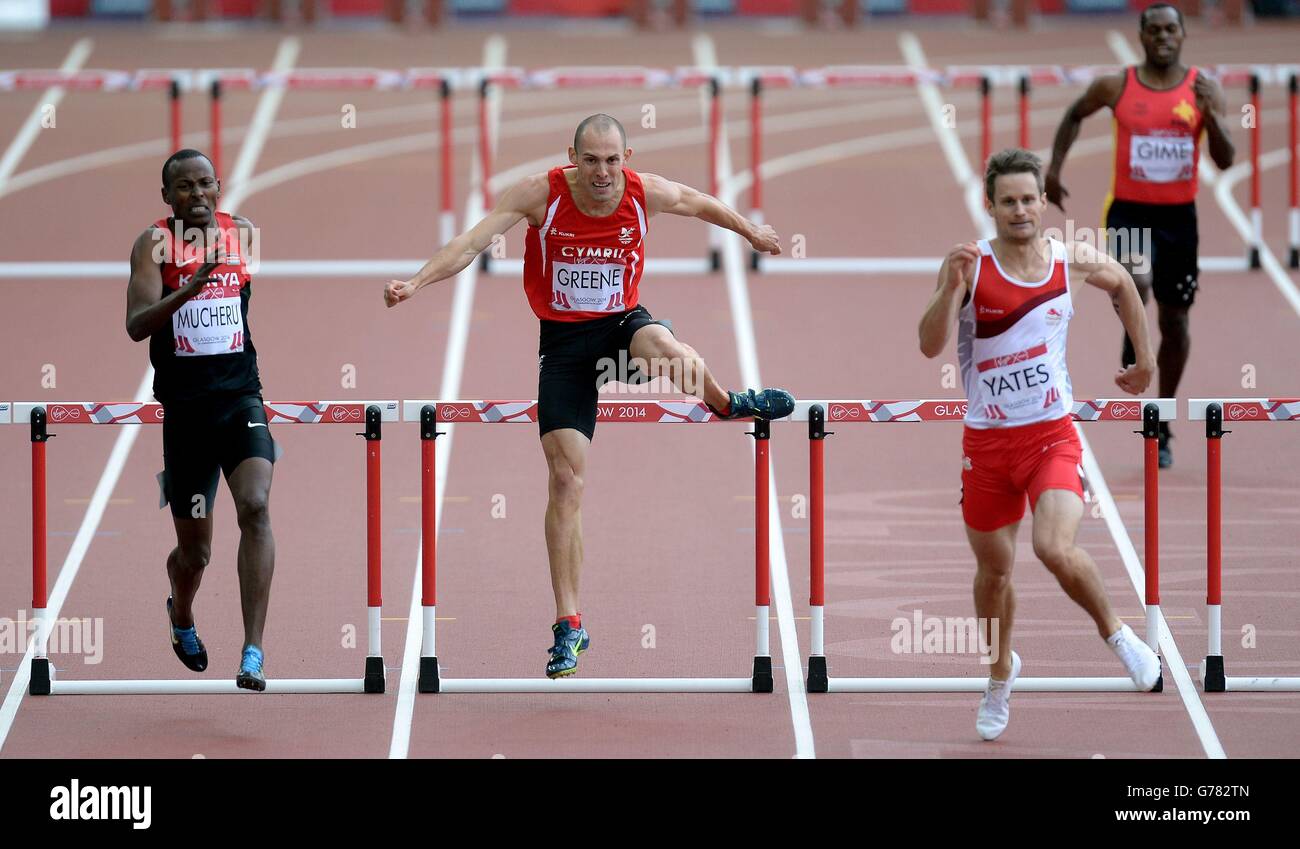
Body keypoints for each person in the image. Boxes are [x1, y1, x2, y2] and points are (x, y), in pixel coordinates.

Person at [386, 114, 793, 679]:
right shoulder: (540, 194)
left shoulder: (643, 192)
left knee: (670, 352)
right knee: (564, 480)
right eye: (591, 160)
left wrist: (751, 232)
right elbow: (472, 242)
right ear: (572, 157)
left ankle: (729, 403)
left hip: (622, 327)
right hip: (565, 347)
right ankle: (569, 626)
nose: (603, 172)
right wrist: (416, 282)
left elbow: (700, 203)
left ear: (627, 157)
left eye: (612, 160)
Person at [919, 148, 1162, 741]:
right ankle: (1000, 672)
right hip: (987, 445)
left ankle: (1117, 633)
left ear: (1043, 202)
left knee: (1054, 547)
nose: (1020, 210)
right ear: (991, 205)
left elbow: (1125, 283)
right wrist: (949, 292)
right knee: (994, 573)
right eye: (1009, 201)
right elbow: (929, 345)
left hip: (1051, 436)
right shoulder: (969, 266)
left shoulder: (1068, 261)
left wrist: (1143, 358)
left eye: (1029, 199)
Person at [1045, 2, 1234, 468]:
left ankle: (1162, 421)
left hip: (1179, 221)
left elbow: (1226, 159)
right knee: (1137, 280)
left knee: (1176, 321)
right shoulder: (1117, 85)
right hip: (1129, 212)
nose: (1164, 37)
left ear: (1183, 34)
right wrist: (1053, 170)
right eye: (1155, 30)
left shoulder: (1203, 90)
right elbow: (1073, 113)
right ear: (1142, 36)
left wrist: (1214, 116)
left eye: (1172, 29)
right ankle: (1135, 336)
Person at [125, 149, 275, 691]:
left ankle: (253, 650)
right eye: (184, 187)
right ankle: (181, 613)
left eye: (205, 184)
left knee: (255, 507)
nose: (197, 195)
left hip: (240, 400)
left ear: (219, 187)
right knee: (196, 551)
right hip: (186, 415)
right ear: (167, 197)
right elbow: (137, 325)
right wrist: (191, 287)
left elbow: (240, 300)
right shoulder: (153, 244)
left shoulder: (245, 232)